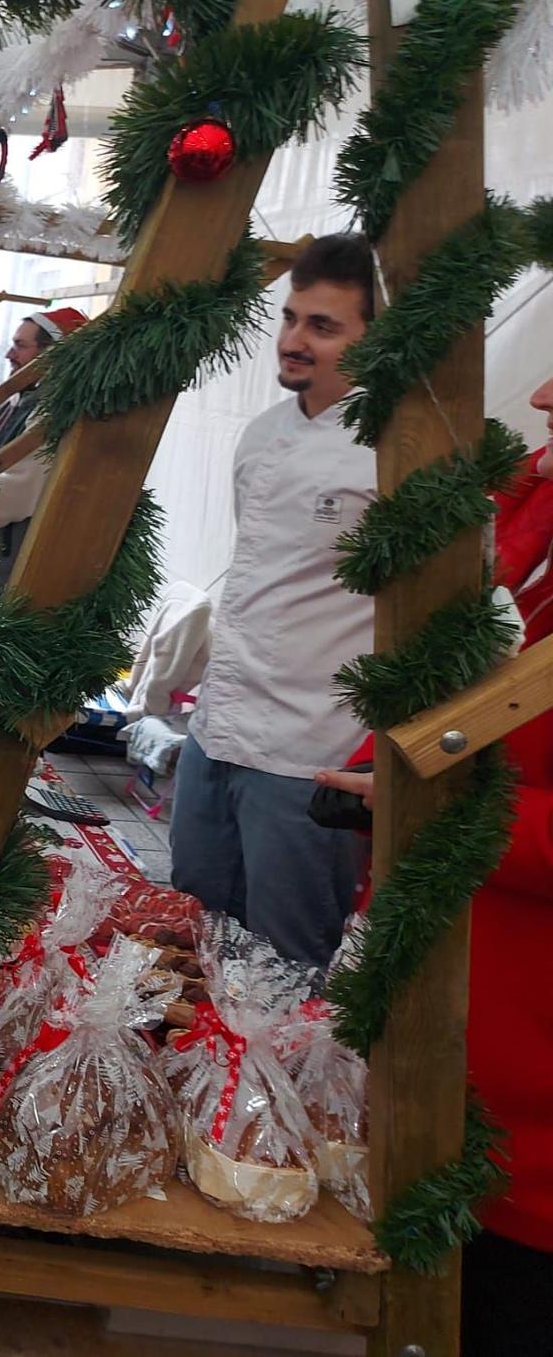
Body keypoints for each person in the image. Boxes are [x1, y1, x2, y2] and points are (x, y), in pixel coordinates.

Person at [314, 372, 553, 1356]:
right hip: (444, 1052)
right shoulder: (532, 534)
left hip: (527, 1119)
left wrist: (441, 811)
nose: (539, 399)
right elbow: (459, 670)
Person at [170, 233, 378, 967]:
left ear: (373, 337)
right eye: (291, 319)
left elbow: (461, 616)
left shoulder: (399, 447)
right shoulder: (262, 433)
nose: (294, 341)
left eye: (323, 327)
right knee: (191, 935)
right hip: (216, 730)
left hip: (310, 751)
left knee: (286, 964)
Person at [0, 307, 87, 591]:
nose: (9, 355)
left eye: (20, 346)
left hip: (9, 557)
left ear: (51, 355)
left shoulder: (51, 410)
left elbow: (20, 489)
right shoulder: (15, 401)